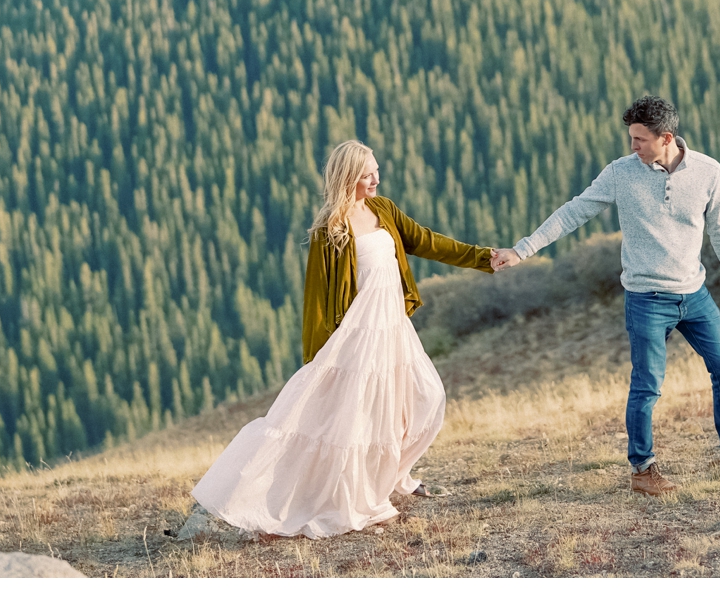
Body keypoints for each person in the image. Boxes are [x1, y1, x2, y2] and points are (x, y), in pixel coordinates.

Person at [191, 139, 498, 537]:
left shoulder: (382, 209)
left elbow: (426, 241)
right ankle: (342, 497)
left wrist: (483, 257)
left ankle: (391, 477)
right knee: (356, 421)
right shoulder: (330, 230)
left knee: (423, 399)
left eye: (376, 170)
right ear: (349, 177)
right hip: (357, 336)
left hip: (392, 327)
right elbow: (317, 301)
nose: (377, 178)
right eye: (368, 173)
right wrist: (318, 362)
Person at [491, 95, 720, 494]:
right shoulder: (620, 174)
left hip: (694, 294)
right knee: (647, 387)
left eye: (640, 139)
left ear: (667, 138)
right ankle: (643, 471)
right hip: (646, 299)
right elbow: (572, 212)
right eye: (631, 138)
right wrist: (522, 249)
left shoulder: (708, 171)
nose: (633, 147)